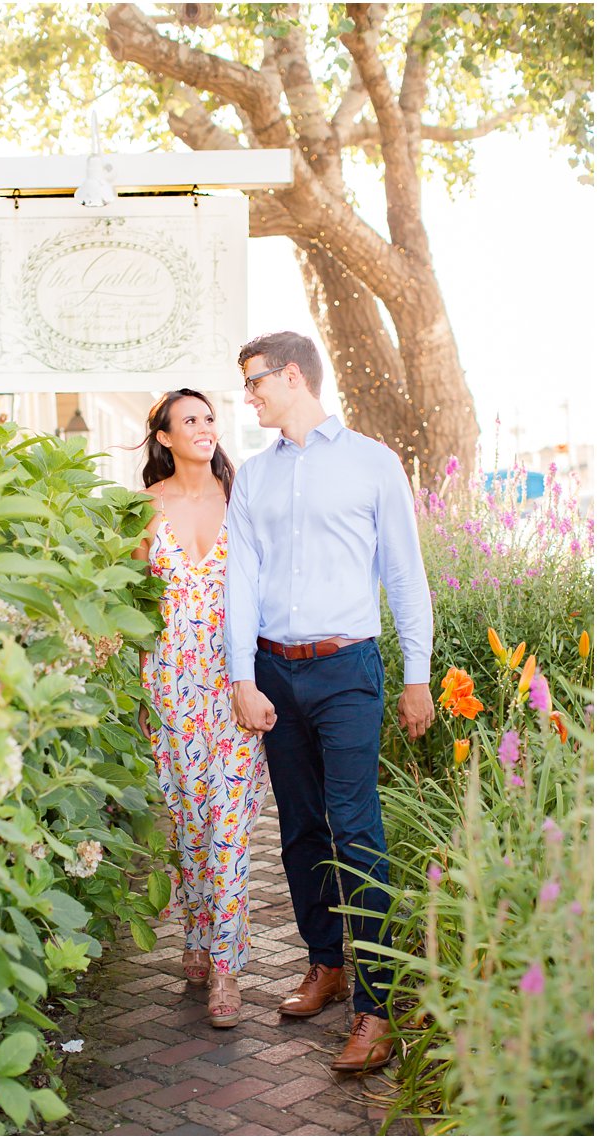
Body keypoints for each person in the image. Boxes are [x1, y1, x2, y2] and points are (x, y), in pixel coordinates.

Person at [226, 331, 433, 1073]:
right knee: (301, 831)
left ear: (292, 376)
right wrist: (242, 676)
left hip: (348, 668)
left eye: (254, 382)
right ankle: (325, 961)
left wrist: (418, 675)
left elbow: (405, 574)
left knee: (358, 831)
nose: (246, 395)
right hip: (276, 674)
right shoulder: (252, 477)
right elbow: (240, 581)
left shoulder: (373, 463)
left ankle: (374, 1008)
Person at [135, 389, 268, 1029]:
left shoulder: (242, 498)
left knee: (230, 826)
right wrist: (136, 689)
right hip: (170, 687)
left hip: (234, 683)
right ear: (163, 436)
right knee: (189, 822)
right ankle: (195, 929)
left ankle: (226, 967)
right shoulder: (143, 511)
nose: (205, 428)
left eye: (210, 418)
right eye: (190, 420)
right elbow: (131, 604)